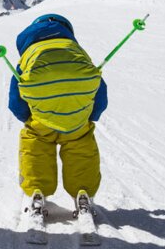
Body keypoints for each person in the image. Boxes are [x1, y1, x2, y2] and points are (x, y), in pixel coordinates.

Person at [8, 13, 108, 214]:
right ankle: (83, 194)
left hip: (41, 119)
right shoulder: (76, 51)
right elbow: (98, 87)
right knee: (80, 148)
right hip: (77, 118)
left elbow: (16, 95)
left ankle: (37, 192)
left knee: (35, 146)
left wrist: (28, 118)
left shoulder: (29, 54)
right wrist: (90, 116)